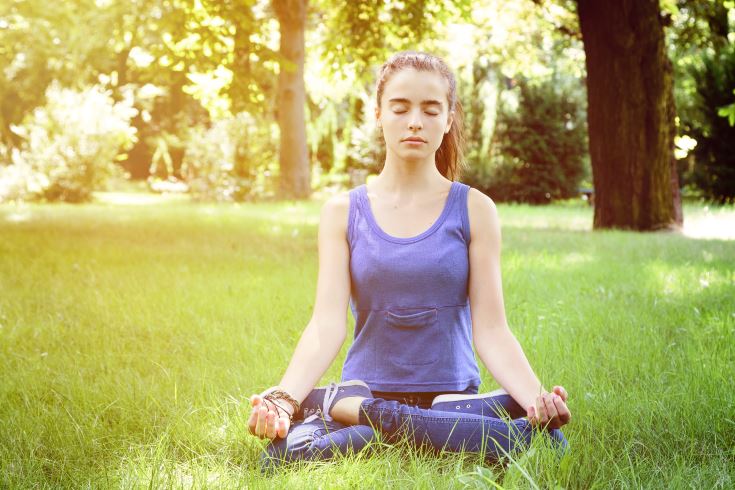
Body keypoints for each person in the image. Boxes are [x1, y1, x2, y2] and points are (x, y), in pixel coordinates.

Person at [247, 51, 571, 470]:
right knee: (278, 458)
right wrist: (285, 398)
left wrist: (536, 400)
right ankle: (448, 435)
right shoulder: (341, 212)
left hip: (448, 402)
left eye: (430, 109)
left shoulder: (476, 209)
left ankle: (366, 422)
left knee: (554, 443)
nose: (415, 120)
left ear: (449, 118)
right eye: (400, 108)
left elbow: (492, 330)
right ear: (379, 114)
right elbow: (326, 324)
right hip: (368, 390)